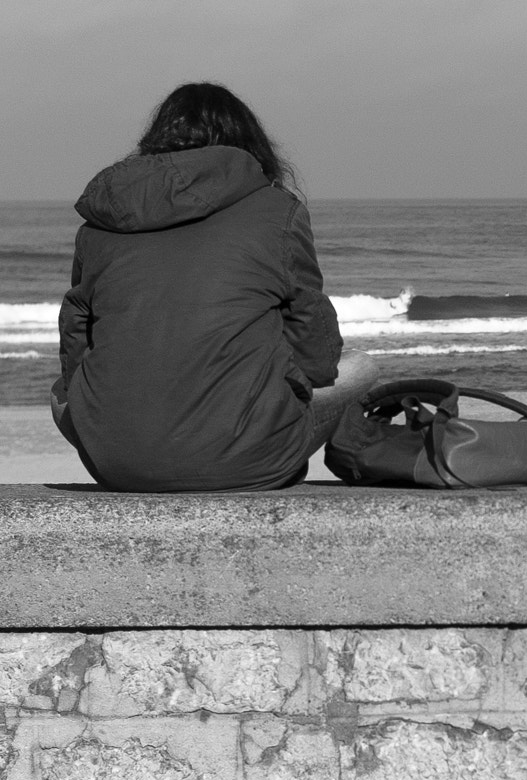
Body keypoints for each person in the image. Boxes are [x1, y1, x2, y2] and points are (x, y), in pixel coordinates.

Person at [54, 82, 379, 491]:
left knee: (60, 395)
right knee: (362, 366)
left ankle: (139, 454)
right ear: (249, 142)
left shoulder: (102, 221)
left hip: (117, 466)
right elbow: (312, 335)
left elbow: (76, 338)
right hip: (247, 462)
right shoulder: (278, 210)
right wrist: (287, 383)